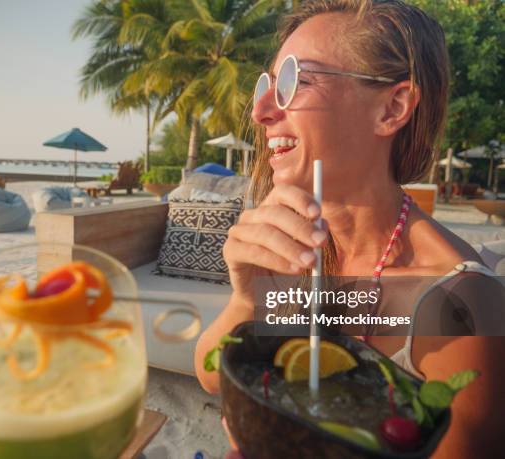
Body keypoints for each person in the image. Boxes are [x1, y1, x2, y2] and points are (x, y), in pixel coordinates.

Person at [194, 1, 505, 458]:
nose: (260, 110)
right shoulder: (298, 241)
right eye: (267, 84)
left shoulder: (459, 306)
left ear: (392, 108)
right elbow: (212, 373)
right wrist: (245, 299)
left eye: (294, 82)